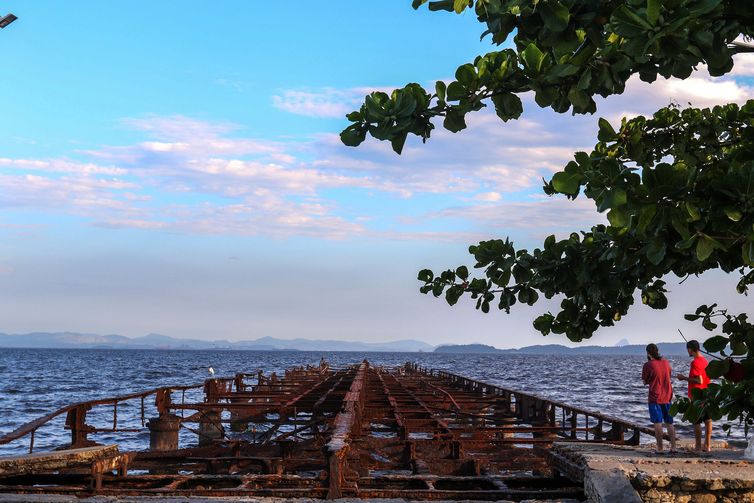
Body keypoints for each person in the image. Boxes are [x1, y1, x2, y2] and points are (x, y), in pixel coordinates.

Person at [676, 340, 712, 452]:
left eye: (688, 349)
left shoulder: (695, 362)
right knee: (708, 420)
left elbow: (699, 380)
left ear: (690, 349)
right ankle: (707, 445)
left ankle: (697, 446)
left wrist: (684, 378)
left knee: (696, 421)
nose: (688, 351)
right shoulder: (705, 361)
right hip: (707, 394)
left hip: (697, 396)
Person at [642, 343, 676, 453]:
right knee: (669, 422)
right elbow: (668, 375)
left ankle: (660, 448)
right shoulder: (666, 363)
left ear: (648, 353)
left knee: (657, 423)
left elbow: (644, 381)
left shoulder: (648, 365)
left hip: (655, 397)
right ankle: (673, 447)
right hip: (667, 395)